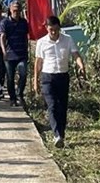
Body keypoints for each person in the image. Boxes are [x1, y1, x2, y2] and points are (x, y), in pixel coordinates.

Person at [33, 15, 86, 148]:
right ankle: (56, 134)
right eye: (51, 29)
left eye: (56, 29)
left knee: (62, 106)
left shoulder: (67, 39)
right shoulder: (41, 42)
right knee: (52, 106)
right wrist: (35, 80)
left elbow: (75, 54)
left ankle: (61, 134)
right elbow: (38, 62)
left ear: (59, 28)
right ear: (46, 28)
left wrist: (81, 65)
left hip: (62, 76)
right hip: (48, 77)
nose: (53, 32)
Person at [0, 0, 29, 106]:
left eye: (18, 10)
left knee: (23, 73)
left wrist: (27, 50)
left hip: (21, 54)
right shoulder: (5, 22)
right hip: (9, 54)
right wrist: (4, 51)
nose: (16, 12)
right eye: (14, 10)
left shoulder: (24, 22)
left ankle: (19, 93)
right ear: (10, 10)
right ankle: (12, 98)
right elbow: (2, 37)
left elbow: (26, 37)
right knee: (10, 77)